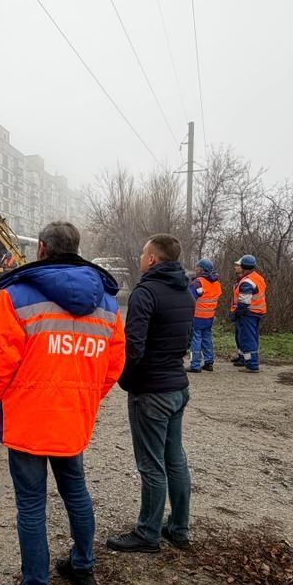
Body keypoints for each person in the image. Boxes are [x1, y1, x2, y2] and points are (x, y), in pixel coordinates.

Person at [0, 221, 126, 585]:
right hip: (72, 420)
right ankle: (83, 567)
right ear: (76, 248)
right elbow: (113, 366)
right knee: (76, 493)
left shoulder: (16, 296)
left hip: (27, 421)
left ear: (41, 248)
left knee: (31, 506)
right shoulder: (108, 303)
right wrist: (85, 397)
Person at [106, 234, 194, 553]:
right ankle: (179, 528)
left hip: (151, 392)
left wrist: (127, 380)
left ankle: (148, 534)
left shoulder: (146, 292)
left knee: (151, 464)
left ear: (153, 259)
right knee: (175, 460)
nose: (141, 257)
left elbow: (134, 346)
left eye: (144, 252)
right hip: (177, 388)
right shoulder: (185, 290)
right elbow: (186, 339)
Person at [229, 254, 268, 372]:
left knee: (247, 338)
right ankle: (249, 361)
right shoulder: (257, 277)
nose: (236, 267)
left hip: (248, 313)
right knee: (251, 338)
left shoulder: (247, 282)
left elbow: (244, 302)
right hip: (256, 312)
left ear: (244, 267)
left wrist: (236, 313)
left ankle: (252, 365)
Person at [187, 257, 222, 373]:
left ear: (201, 269)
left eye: (197, 267)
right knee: (207, 339)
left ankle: (195, 365)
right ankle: (209, 362)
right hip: (209, 316)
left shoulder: (198, 282)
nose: (195, 269)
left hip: (197, 316)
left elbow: (190, 299)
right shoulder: (216, 283)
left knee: (196, 340)